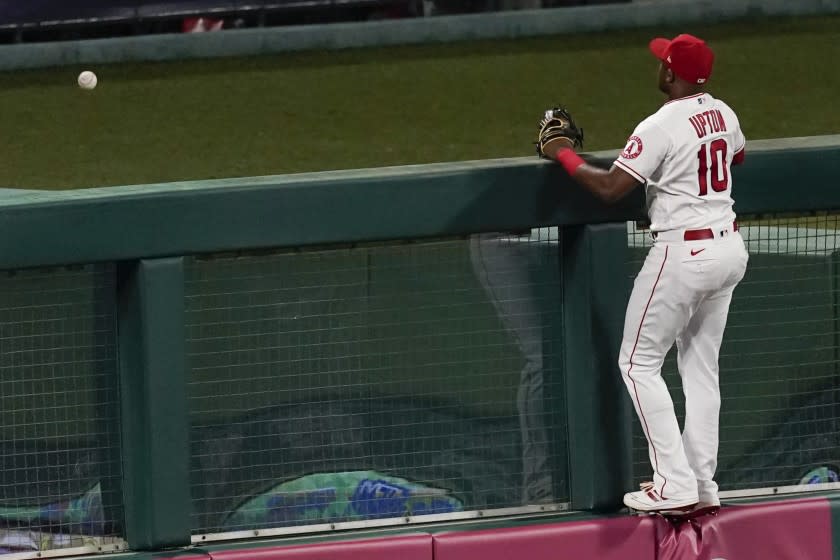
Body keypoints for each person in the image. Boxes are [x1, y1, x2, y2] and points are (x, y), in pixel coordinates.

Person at [541, 34, 749, 512]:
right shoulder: (725, 112)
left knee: (637, 364)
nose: (658, 67)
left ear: (671, 74)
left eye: (663, 63)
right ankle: (702, 484)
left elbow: (613, 188)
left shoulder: (659, 124)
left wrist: (561, 153)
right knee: (701, 370)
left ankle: (674, 485)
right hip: (729, 248)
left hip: (684, 256)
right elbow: (735, 156)